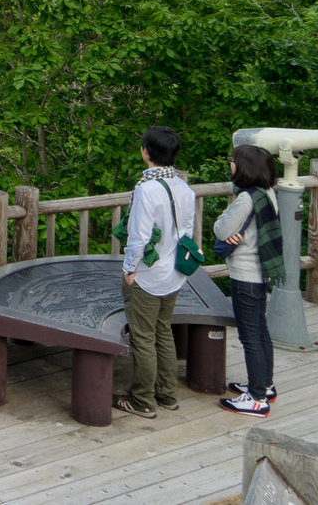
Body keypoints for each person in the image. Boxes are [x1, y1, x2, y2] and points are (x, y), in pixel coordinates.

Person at [116, 125, 198, 419]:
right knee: (163, 331)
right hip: (174, 272)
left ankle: (142, 400)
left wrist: (129, 270)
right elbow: (187, 231)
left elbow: (138, 236)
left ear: (146, 152)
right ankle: (167, 394)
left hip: (148, 276)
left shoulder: (146, 190)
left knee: (143, 337)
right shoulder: (184, 188)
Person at [213, 143, 282, 417]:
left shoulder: (245, 199)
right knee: (260, 330)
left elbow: (221, 229)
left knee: (250, 335)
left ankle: (255, 399)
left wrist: (224, 224)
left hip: (245, 274)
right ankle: (265, 385)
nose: (230, 164)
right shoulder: (267, 193)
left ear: (244, 167)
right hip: (261, 271)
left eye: (233, 161)